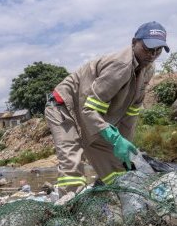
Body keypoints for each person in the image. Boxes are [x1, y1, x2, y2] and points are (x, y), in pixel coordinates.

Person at [45, 21, 170, 196]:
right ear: (134, 42)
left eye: (157, 50)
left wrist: (125, 145)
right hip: (64, 107)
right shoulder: (121, 65)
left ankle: (116, 200)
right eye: (147, 48)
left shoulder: (148, 69)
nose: (152, 54)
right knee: (72, 161)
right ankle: (68, 210)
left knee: (116, 166)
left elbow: (131, 113)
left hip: (89, 113)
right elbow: (89, 109)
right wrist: (114, 138)